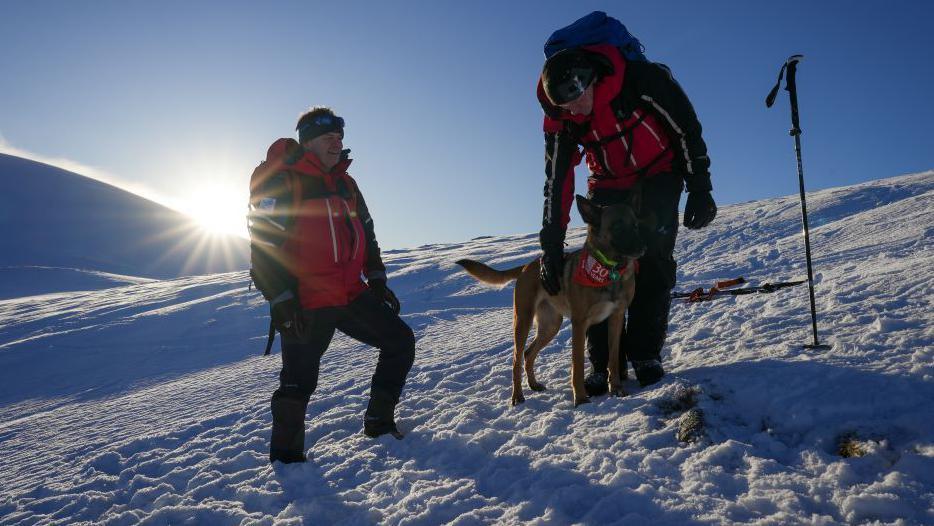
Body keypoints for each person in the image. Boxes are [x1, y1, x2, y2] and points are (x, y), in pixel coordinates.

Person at [536, 43, 717, 393]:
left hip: (659, 174)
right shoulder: (560, 116)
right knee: (595, 269)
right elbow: (557, 180)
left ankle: (645, 354)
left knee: (653, 260)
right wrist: (552, 244)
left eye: (574, 100)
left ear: (587, 80)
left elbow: (685, 129)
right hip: (607, 182)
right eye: (563, 106)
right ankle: (604, 364)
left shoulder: (641, 81)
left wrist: (699, 186)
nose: (571, 110)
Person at [258, 107, 415, 464]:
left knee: (400, 341)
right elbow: (263, 246)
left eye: (340, 137)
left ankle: (378, 421)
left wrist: (376, 278)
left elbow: (367, 232)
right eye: (328, 138)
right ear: (308, 142)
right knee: (298, 383)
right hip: (306, 300)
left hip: (350, 293)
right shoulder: (283, 181)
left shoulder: (346, 183)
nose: (337, 144)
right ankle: (286, 461)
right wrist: (281, 299)